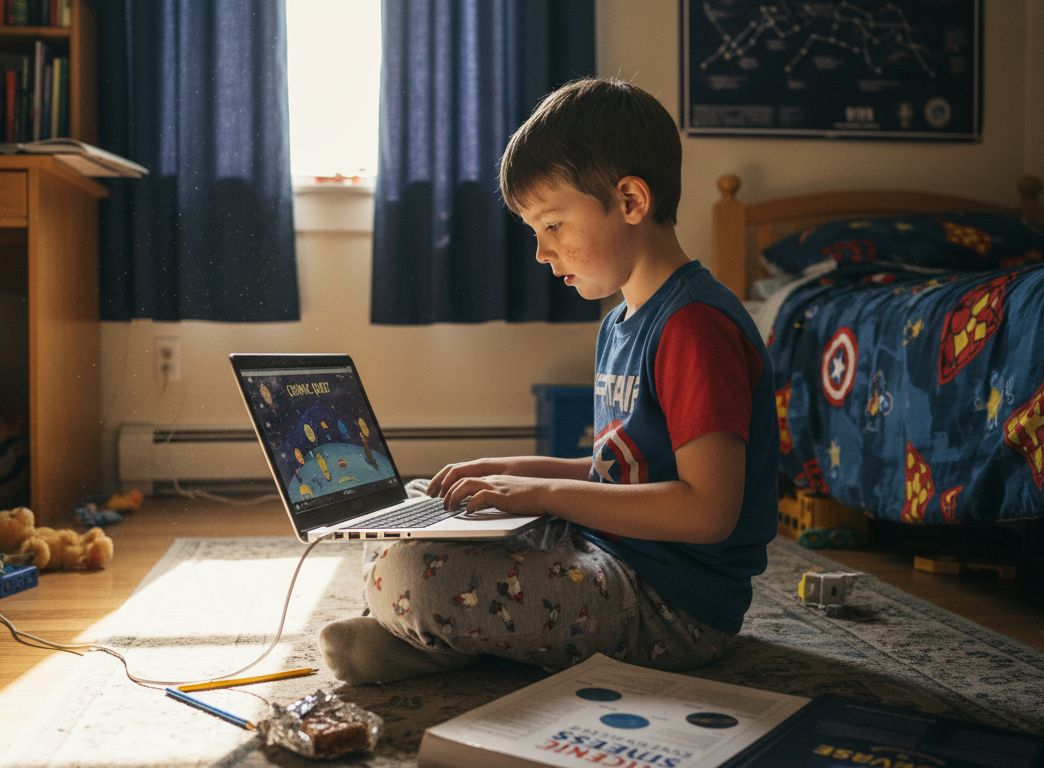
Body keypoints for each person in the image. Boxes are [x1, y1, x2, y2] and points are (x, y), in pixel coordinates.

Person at [318, 77, 779, 685]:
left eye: (553, 225)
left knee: (412, 574)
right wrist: (507, 472)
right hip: (610, 551)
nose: (540, 252)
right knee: (424, 501)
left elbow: (707, 511)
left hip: (672, 605)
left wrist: (537, 495)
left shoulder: (695, 327)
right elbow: (619, 474)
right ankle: (434, 633)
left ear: (631, 202)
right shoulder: (621, 323)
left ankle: (427, 639)